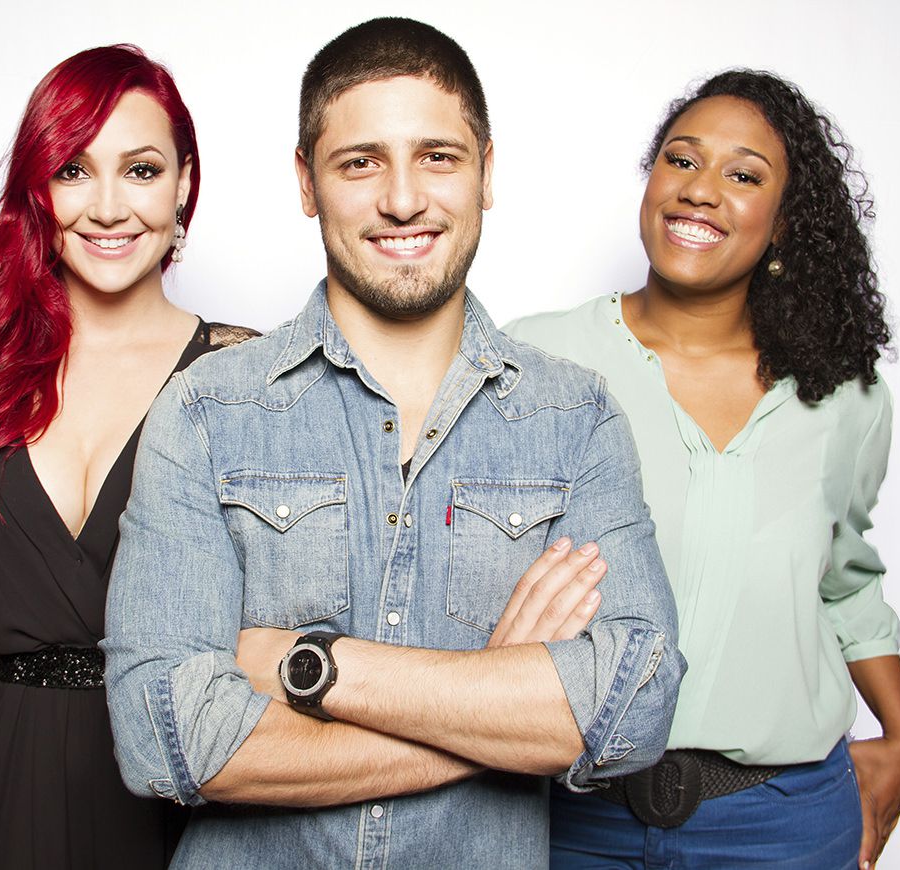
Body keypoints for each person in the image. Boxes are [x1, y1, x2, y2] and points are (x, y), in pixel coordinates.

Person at [103, 16, 684, 869]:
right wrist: (494, 706)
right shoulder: (205, 412)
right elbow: (167, 739)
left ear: (487, 170)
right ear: (307, 182)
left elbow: (632, 707)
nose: (404, 199)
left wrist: (312, 666)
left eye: (438, 157)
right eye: (360, 162)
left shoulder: (575, 418)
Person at [504, 70, 900, 869]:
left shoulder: (845, 395)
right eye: (682, 159)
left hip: (781, 826)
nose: (700, 190)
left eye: (744, 176)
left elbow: (847, 584)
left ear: (785, 221)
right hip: (568, 815)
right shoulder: (535, 360)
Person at [0, 45, 257, 870]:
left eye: (141, 170)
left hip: (191, 810)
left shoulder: (244, 377)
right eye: (74, 171)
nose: (108, 208)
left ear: (184, 184)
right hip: (1, 798)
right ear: (39, 190)